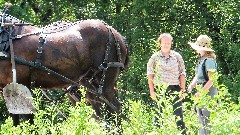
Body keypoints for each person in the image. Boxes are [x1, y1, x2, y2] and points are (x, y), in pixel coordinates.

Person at [147, 33, 186, 134]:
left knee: (178, 114)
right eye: (164, 42)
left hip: (175, 88)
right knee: (159, 115)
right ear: (160, 43)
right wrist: (152, 91)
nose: (166, 44)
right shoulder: (154, 58)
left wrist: (183, 89)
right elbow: (150, 75)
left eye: (168, 42)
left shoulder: (177, 57)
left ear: (171, 43)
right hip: (160, 89)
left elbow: (182, 73)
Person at [187, 35, 218, 135]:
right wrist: (192, 85)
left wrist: (201, 92)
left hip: (208, 92)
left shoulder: (209, 60)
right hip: (202, 90)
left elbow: (212, 80)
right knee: (200, 119)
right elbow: (198, 75)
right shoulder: (201, 60)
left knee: (207, 120)